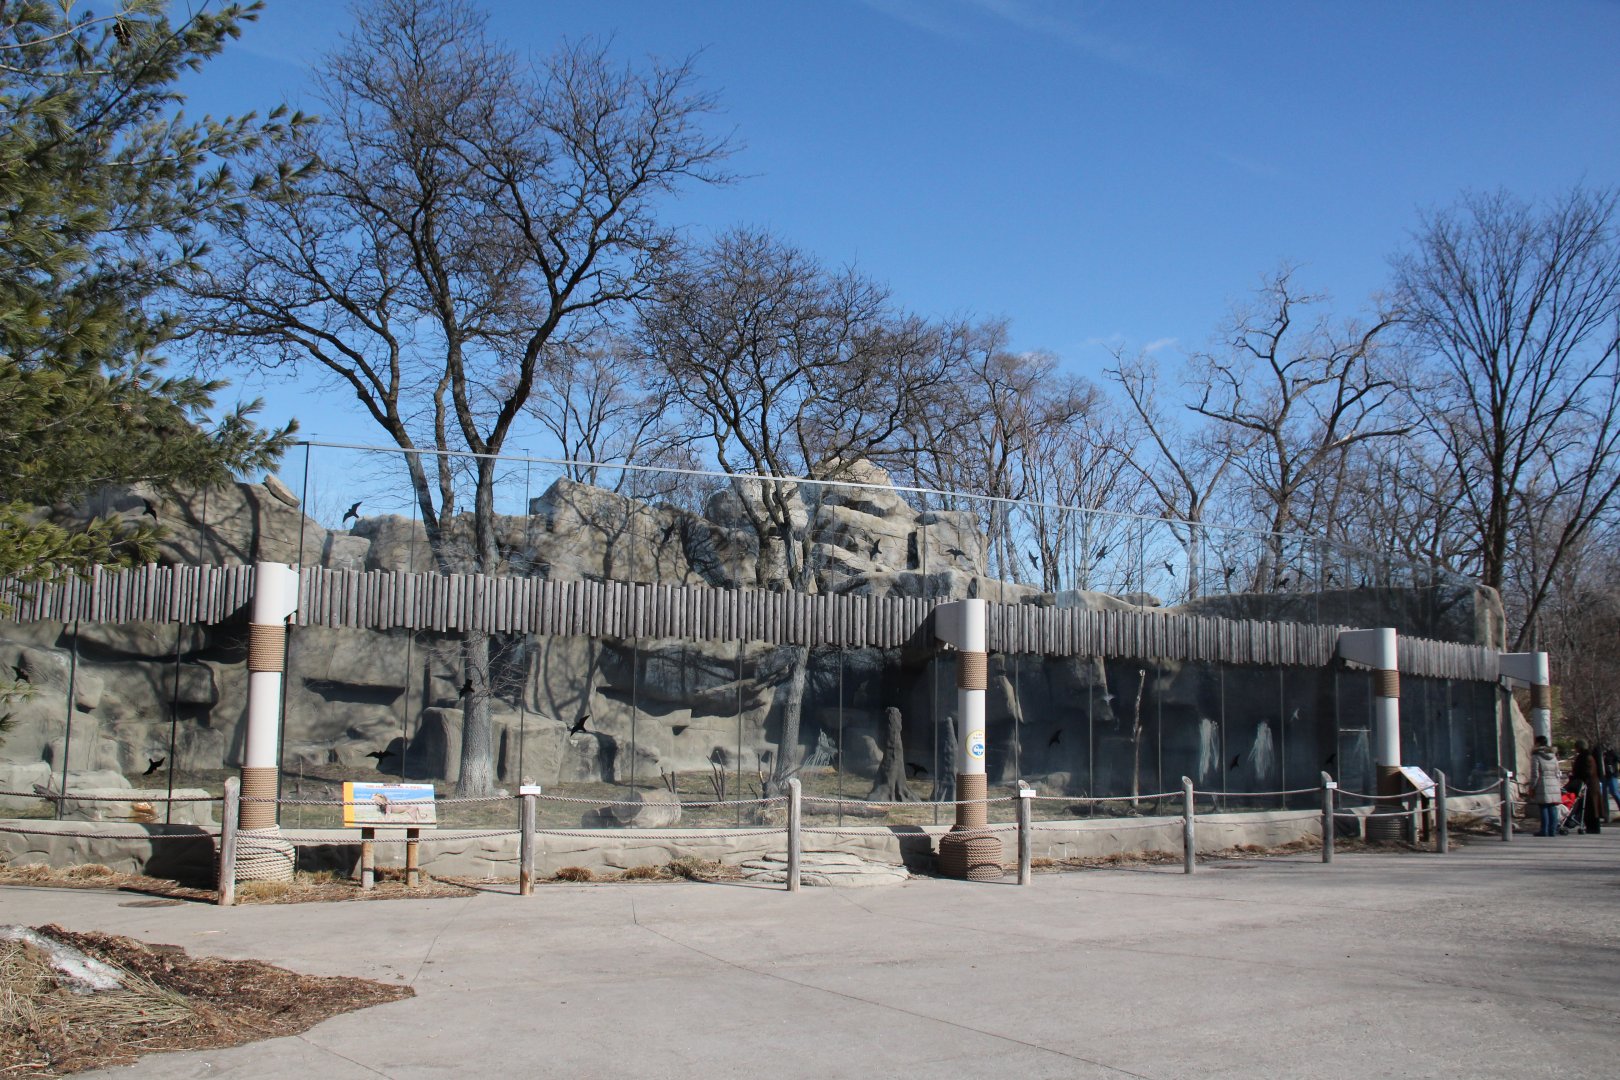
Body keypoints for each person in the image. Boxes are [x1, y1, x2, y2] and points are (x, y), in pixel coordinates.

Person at [1527, 736, 1564, 837]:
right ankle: (1553, 830)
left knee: (1543, 806)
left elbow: (1535, 774)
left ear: (1537, 743)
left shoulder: (1536, 756)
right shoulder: (1553, 756)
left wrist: (1532, 787)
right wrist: (1558, 784)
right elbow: (1557, 772)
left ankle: (1544, 830)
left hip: (1542, 783)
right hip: (1554, 782)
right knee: (1552, 806)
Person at [1570, 740, 1603, 835]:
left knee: (1591, 807)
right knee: (1590, 808)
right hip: (1591, 784)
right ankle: (1591, 827)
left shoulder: (1585, 757)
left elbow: (1586, 772)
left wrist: (1576, 778)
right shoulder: (1588, 756)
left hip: (1589, 785)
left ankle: (1594, 828)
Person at [1600, 744, 1620, 824]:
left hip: (1611, 776)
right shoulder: (1600, 753)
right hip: (1603, 776)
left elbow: (1618, 759)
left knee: (1614, 792)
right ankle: (1606, 815)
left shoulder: (1612, 753)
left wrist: (1615, 771)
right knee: (1604, 795)